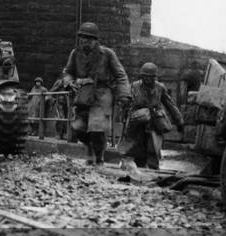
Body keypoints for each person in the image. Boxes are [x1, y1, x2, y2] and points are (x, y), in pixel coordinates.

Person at [61, 21, 131, 165]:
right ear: (79, 39)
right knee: (78, 128)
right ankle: (92, 149)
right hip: (83, 94)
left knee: (97, 128)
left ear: (96, 40)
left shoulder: (107, 54)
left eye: (90, 39)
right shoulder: (75, 53)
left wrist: (124, 94)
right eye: (83, 38)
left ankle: (98, 159)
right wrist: (69, 82)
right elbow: (67, 72)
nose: (86, 41)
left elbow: (120, 75)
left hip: (102, 95)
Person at [121, 62, 184, 170]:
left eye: (150, 77)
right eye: (145, 76)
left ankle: (154, 173)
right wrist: (125, 117)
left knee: (153, 150)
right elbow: (127, 104)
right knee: (138, 150)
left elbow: (170, 105)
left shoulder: (160, 88)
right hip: (138, 123)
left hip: (154, 122)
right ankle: (139, 175)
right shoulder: (134, 86)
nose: (147, 79)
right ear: (142, 76)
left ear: (154, 77)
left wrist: (179, 121)